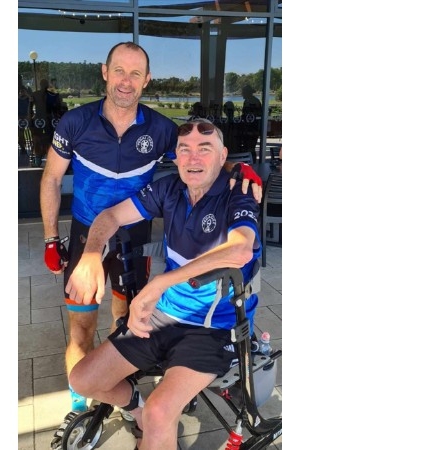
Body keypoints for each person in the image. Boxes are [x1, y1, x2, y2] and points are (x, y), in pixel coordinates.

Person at [40, 42, 263, 417]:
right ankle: (81, 405)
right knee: (81, 322)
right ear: (105, 72)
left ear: (146, 80)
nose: (125, 81)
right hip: (86, 232)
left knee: (126, 315)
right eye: (119, 71)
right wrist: (51, 238)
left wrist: (238, 171)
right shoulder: (75, 122)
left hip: (133, 234)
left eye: (135, 73)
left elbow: (198, 155)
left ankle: (125, 393)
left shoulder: (160, 128)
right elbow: (51, 179)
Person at [67, 118, 261, 450]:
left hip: (215, 327)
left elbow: (240, 249)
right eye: (184, 149)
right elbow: (111, 216)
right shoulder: (169, 188)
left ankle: (153, 420)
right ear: (175, 156)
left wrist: (159, 283)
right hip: (163, 316)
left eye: (205, 149)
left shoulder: (237, 194)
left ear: (222, 155)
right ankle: (138, 412)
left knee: (161, 413)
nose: (193, 158)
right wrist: (91, 254)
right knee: (83, 379)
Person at [30, 78, 64, 167]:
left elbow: (30, 108)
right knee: (46, 139)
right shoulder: (51, 95)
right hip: (46, 119)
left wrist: (31, 117)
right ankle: (43, 159)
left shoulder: (36, 94)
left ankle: (39, 160)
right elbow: (58, 107)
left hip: (41, 119)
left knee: (40, 139)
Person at [18, 74, 32, 156]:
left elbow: (31, 99)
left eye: (20, 79)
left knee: (24, 132)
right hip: (18, 115)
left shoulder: (26, 89)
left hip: (26, 114)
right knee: (20, 133)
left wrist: (26, 94)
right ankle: (22, 147)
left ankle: (25, 148)